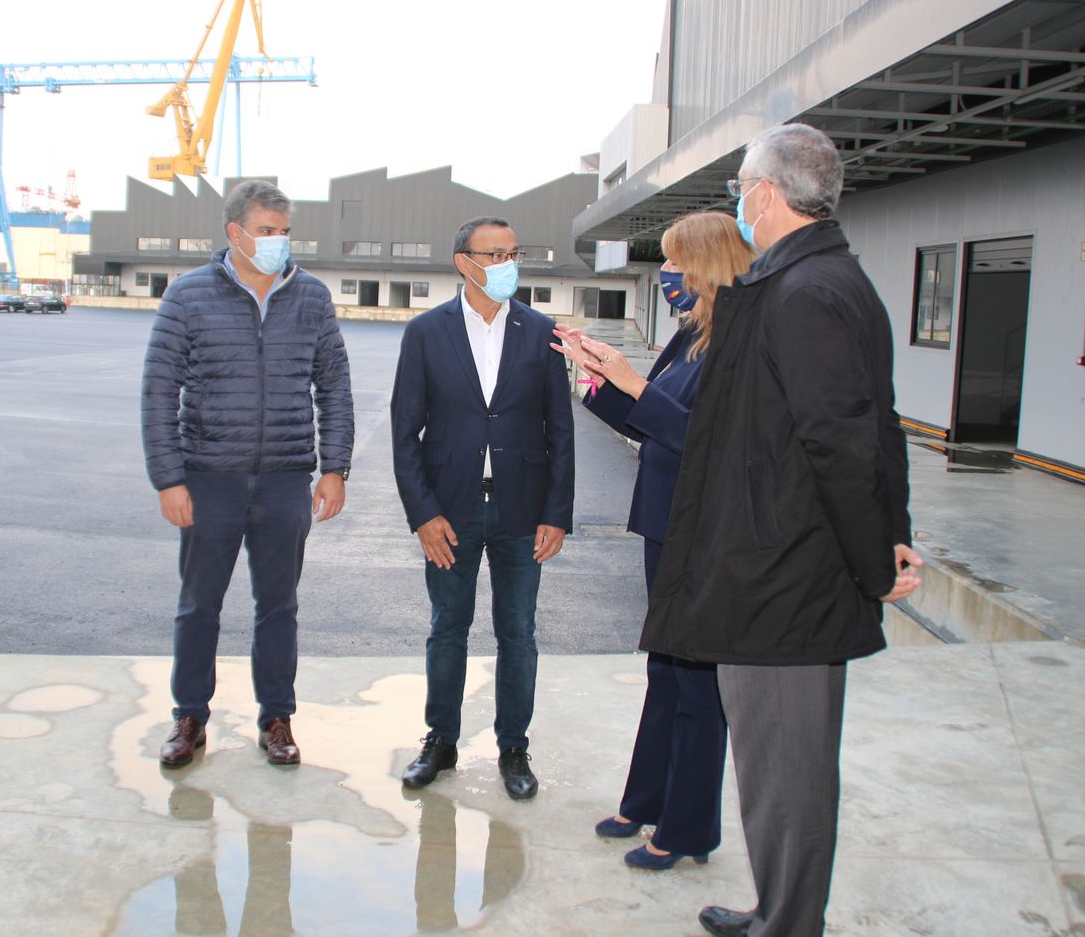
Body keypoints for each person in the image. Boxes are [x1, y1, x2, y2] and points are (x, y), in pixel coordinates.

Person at [639, 125, 923, 937]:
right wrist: (891, 532)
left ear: (765, 193)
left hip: (789, 578)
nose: (737, 201)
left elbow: (843, 439)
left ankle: (790, 923)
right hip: (782, 569)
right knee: (772, 767)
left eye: (739, 186)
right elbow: (880, 423)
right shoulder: (819, 280)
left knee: (788, 770)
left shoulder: (806, 294)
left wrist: (876, 560)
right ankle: (779, 909)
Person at [551, 211, 754, 872]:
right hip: (665, 523)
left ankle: (688, 827)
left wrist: (631, 379)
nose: (665, 275)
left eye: (674, 262)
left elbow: (708, 440)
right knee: (665, 670)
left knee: (696, 682)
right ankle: (646, 801)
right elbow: (650, 424)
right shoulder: (692, 334)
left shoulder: (738, 342)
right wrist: (593, 374)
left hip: (703, 530)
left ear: (707, 264)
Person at [141, 179, 354, 769]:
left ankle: (277, 718)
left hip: (286, 479)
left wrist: (334, 467)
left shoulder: (310, 297)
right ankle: (190, 718)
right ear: (234, 233)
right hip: (209, 477)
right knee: (198, 604)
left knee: (279, 605)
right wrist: (169, 478)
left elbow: (334, 385)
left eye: (284, 232)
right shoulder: (188, 296)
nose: (278, 242)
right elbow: (160, 390)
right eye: (267, 232)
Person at [389, 215, 574, 801]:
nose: (506, 265)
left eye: (514, 253)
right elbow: (404, 433)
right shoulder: (426, 332)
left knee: (518, 632)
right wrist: (423, 514)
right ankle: (440, 741)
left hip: (522, 513)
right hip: (450, 512)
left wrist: (557, 513)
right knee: (449, 629)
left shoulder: (540, 331)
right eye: (493, 255)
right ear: (462, 262)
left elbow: (560, 433)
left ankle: (513, 748)